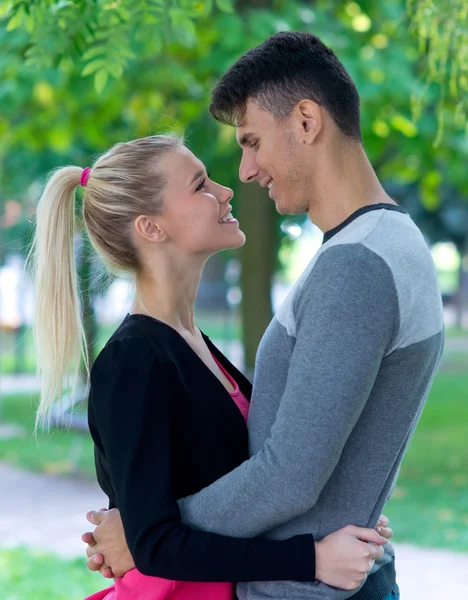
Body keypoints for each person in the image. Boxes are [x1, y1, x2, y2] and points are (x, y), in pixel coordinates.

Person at [84, 32, 445, 600]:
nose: (245, 172)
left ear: (305, 122)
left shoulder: (356, 265)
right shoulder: (378, 245)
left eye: (252, 142)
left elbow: (287, 474)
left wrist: (143, 535)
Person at [29, 134, 392, 600]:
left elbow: (247, 483)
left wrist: (336, 511)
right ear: (151, 228)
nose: (225, 190)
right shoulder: (131, 361)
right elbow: (158, 544)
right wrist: (313, 558)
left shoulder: (191, 341)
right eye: (200, 185)